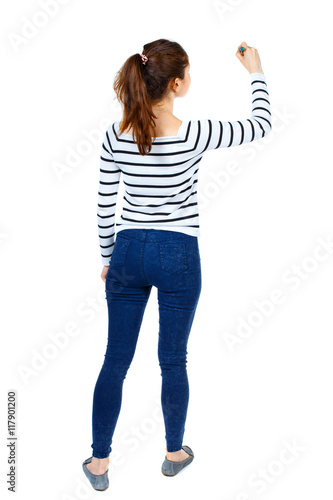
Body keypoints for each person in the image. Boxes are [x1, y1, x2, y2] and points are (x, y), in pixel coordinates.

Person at [82, 38, 271, 490]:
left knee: (115, 361)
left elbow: (105, 204)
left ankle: (99, 463)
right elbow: (261, 124)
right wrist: (256, 70)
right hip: (177, 253)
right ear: (178, 84)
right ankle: (173, 453)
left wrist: (108, 258)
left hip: (127, 250)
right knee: (173, 360)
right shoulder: (196, 132)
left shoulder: (115, 135)